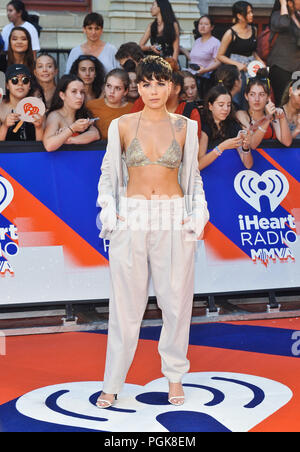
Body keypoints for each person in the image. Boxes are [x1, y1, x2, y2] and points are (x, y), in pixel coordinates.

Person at [96, 55, 209, 409]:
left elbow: (192, 176)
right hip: (132, 218)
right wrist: (109, 209)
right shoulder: (123, 125)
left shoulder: (185, 127)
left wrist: (198, 212)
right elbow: (109, 174)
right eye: (146, 83)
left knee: (177, 303)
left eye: (160, 83)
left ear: (172, 86)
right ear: (138, 86)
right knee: (125, 306)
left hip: (174, 218)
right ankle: (113, 381)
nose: (153, 90)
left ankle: (174, 377)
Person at [217, 1, 265, 109]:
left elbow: (253, 51)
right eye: (248, 13)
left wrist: (260, 61)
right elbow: (220, 56)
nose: (251, 15)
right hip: (237, 69)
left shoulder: (254, 29)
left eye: (251, 12)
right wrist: (237, 64)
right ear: (239, 15)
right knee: (239, 98)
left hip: (251, 68)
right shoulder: (230, 33)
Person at [131, 70, 202, 138]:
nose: (155, 90)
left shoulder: (189, 111)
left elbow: (193, 142)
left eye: (161, 85)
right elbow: (130, 132)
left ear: (177, 89)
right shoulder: (143, 102)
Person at [198, 84, 253, 170]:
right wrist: (222, 147)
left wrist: (245, 148)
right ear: (210, 106)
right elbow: (199, 165)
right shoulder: (203, 125)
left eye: (228, 105)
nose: (226, 109)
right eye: (221, 105)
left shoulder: (233, 124)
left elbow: (248, 165)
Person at [236, 68, 292, 147]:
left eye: (261, 94)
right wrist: (267, 119)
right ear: (246, 96)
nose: (257, 99)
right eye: (252, 94)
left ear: (268, 97)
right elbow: (252, 144)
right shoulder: (241, 115)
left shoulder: (273, 116)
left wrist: (282, 118)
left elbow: (287, 142)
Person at [43, 74, 100, 152]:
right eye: (74, 91)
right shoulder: (55, 116)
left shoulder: (83, 113)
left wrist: (70, 140)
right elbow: (49, 145)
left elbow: (95, 134)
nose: (80, 96)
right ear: (62, 95)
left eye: (82, 92)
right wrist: (73, 128)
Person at [0, 64, 44, 141]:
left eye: (25, 80)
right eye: (14, 80)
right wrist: (5, 126)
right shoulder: (0, 107)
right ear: (7, 85)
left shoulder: (38, 107)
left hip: (31, 152)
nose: (20, 84)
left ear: (29, 85)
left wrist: (39, 128)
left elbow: (42, 146)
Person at [268, 0, 300, 106]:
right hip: (281, 68)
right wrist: (283, 4)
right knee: (282, 100)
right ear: (290, 2)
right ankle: (281, 122)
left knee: (296, 99)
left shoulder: (297, 16)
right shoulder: (278, 16)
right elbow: (284, 24)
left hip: (296, 68)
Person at [87, 68, 132, 140]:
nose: (112, 91)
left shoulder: (133, 109)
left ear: (125, 91)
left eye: (117, 88)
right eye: (108, 86)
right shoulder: (91, 105)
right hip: (95, 150)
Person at [188, 15, 221, 98]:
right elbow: (193, 58)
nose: (202, 26)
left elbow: (218, 61)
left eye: (206, 24)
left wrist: (205, 70)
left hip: (206, 80)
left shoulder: (215, 42)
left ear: (212, 27)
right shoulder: (197, 41)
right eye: (200, 24)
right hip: (192, 77)